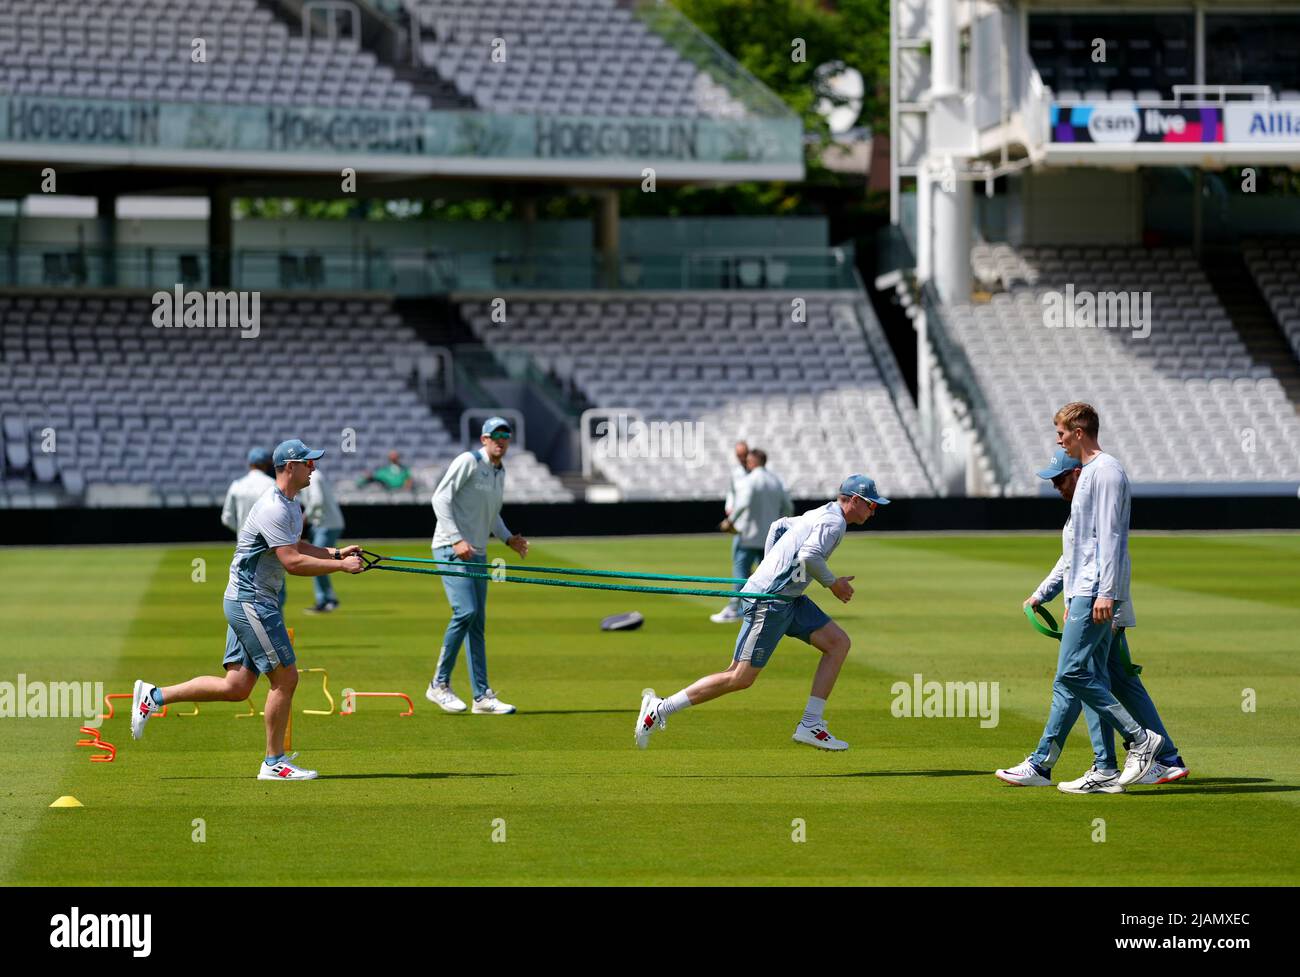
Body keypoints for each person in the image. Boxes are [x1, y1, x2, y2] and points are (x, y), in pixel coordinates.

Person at [130, 439, 364, 781]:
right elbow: (293, 563)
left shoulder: (289, 505)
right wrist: (342, 569)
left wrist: (335, 553)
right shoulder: (275, 507)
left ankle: (154, 695)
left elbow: (296, 545)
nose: (313, 467)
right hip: (252, 601)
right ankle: (273, 763)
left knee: (237, 687)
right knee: (286, 678)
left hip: (249, 599)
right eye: (307, 462)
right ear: (289, 467)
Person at [636, 474, 888, 752]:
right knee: (739, 677)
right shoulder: (833, 521)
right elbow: (809, 556)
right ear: (854, 500)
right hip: (769, 601)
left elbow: (778, 526)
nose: (874, 511)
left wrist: (770, 565)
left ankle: (811, 723)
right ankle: (659, 708)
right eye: (871, 505)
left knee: (838, 643)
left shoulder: (824, 511)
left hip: (788, 599)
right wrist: (834, 584)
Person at [996, 448, 1188, 792]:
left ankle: (1109, 751)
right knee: (1116, 681)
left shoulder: (1096, 498)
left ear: (1078, 474)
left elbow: (1110, 552)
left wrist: (1103, 600)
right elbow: (1071, 559)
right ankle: (1162, 759)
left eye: (1060, 479)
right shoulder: (1082, 507)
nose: (1056, 486)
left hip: (1100, 605)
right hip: (1098, 602)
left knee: (1073, 677)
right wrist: (1044, 594)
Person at [1023, 402, 1164, 792]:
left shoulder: (1105, 472)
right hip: (1085, 591)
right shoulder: (1089, 475)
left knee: (1072, 673)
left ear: (1080, 431)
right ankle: (1104, 769)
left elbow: (1112, 536)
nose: (1058, 439)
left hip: (1095, 592)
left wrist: (1107, 593)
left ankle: (1141, 739)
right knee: (1092, 675)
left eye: (1062, 432)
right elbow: (1080, 548)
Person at [425, 417, 529, 715]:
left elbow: (492, 514)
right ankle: (438, 684)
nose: (501, 440)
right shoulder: (468, 461)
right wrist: (456, 539)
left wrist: (509, 539)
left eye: (505, 435)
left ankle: (481, 696)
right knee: (465, 612)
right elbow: (440, 499)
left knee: (477, 624)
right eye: (495, 435)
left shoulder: (500, 471)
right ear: (484, 439)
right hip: (450, 547)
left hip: (478, 552)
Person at [711, 448, 793, 623]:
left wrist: (729, 522)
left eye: (748, 460)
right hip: (769, 538)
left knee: (740, 571)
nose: (746, 463)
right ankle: (771, 607)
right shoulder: (775, 480)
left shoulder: (750, 480)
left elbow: (742, 504)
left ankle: (735, 608)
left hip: (748, 535)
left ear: (754, 461)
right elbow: (788, 507)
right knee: (769, 574)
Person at [221, 446, 285, 609]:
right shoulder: (272, 485)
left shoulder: (237, 485)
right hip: (270, 546)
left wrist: (243, 533)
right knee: (273, 596)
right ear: (266, 464)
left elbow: (227, 517)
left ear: (250, 464)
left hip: (244, 547)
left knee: (240, 592)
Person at [298, 464, 346, 614]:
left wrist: (304, 518)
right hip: (323, 524)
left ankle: (326, 600)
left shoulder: (314, 477)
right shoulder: (314, 476)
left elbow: (317, 500)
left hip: (327, 524)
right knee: (317, 562)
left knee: (317, 562)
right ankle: (326, 599)